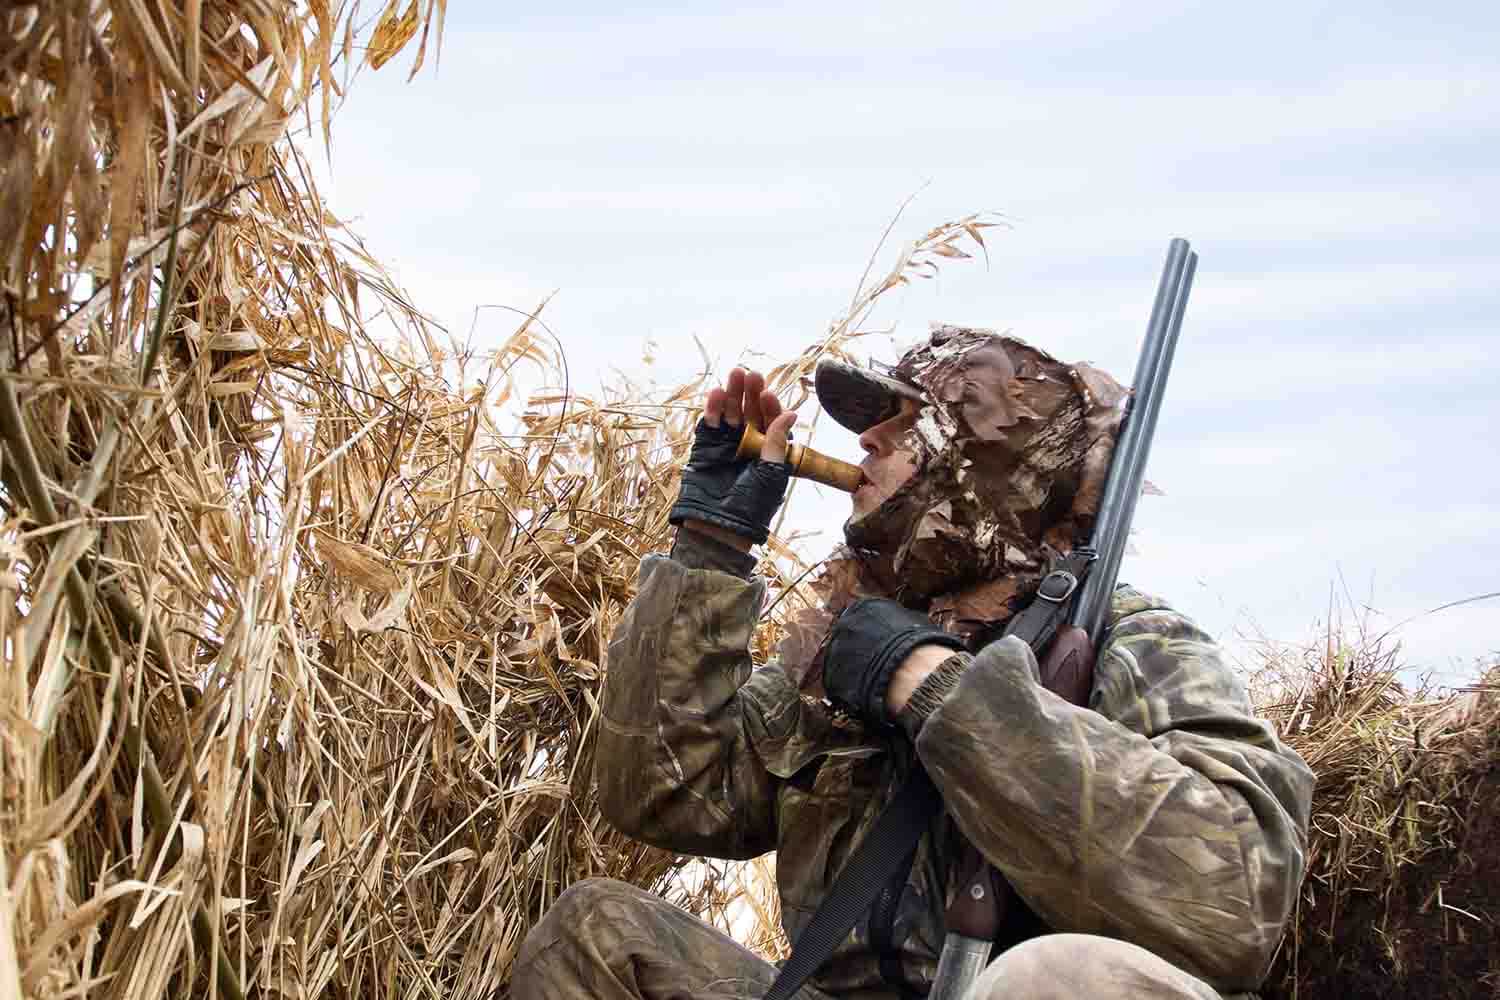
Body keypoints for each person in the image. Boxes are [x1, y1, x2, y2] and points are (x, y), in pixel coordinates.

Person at [512, 327, 1314, 1000]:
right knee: (598, 933)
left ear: (978, 460)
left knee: (1060, 976)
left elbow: (1236, 901)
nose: (865, 442)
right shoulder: (845, 642)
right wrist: (710, 547)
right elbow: (668, 795)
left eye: (904, 424)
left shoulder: (1132, 641)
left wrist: (936, 691)